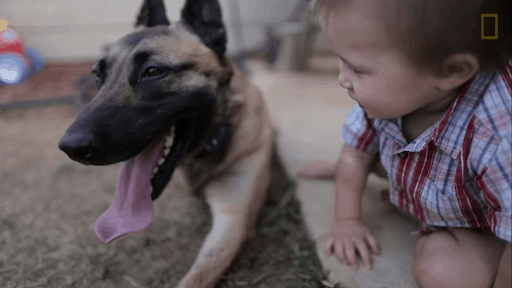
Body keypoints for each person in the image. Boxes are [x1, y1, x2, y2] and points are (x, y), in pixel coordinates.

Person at [297, 0, 511, 287]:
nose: (341, 79)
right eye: (341, 59)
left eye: (357, 69)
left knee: (441, 270)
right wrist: (347, 222)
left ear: (451, 71)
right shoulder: (386, 99)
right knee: (363, 154)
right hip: (442, 180)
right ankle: (406, 194)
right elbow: (355, 155)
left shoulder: (497, 135)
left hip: (486, 219)